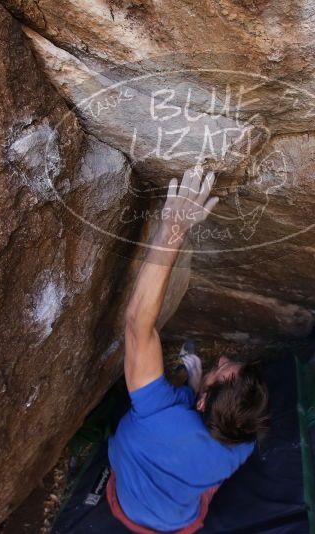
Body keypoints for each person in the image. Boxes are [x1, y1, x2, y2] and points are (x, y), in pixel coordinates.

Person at [107, 165, 271, 533]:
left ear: (201, 405)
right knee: (201, 489)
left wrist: (174, 226)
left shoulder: (158, 413)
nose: (226, 358)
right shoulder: (241, 446)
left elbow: (137, 324)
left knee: (125, 445)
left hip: (127, 507)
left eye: (222, 370)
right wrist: (197, 383)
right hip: (183, 521)